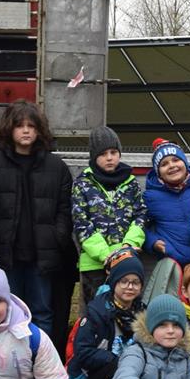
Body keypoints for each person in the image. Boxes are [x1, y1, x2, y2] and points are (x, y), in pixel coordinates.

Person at [0, 101, 73, 338]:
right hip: (6, 256)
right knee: (7, 313)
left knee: (42, 312)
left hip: (43, 257)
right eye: (19, 125)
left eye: (31, 126)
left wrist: (57, 236)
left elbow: (65, 209)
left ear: (39, 130)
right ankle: (11, 367)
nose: (26, 130)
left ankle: (42, 369)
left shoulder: (56, 167)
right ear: (9, 129)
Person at [71, 125, 145, 306]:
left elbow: (141, 215)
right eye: (103, 154)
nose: (109, 158)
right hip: (95, 265)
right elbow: (81, 223)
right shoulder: (82, 184)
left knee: (127, 313)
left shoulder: (131, 183)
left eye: (113, 152)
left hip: (127, 261)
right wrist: (107, 255)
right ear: (94, 156)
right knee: (96, 314)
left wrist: (129, 245)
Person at [66, 252, 146, 379]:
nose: (130, 287)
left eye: (135, 282)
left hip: (133, 375)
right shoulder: (96, 313)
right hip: (99, 377)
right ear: (114, 282)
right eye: (124, 281)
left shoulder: (143, 313)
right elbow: (83, 352)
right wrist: (115, 359)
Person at [142, 137, 190, 271]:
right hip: (175, 264)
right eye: (164, 164)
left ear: (185, 163)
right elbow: (140, 226)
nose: (172, 166)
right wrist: (152, 242)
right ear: (158, 173)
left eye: (176, 160)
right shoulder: (150, 197)